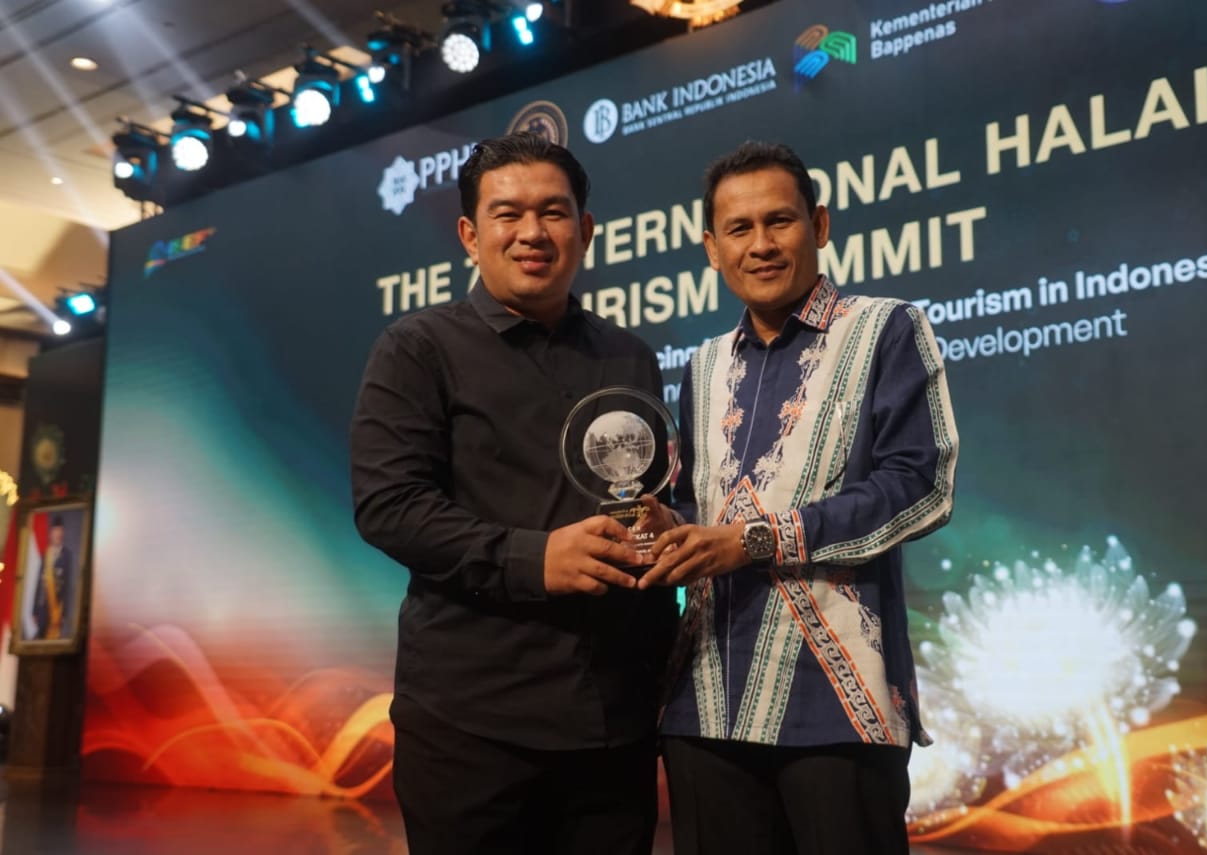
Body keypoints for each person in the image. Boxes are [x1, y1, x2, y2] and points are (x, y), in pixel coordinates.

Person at [350, 133, 677, 855]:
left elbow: (647, 494)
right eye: (508, 214)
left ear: (585, 229)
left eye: (553, 212)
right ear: (471, 235)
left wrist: (663, 526)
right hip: (473, 724)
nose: (532, 231)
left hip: (614, 725)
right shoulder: (418, 348)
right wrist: (535, 559)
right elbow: (388, 505)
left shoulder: (630, 356)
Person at [638, 141, 959, 854]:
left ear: (819, 225)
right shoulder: (702, 365)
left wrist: (755, 539)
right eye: (739, 228)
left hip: (837, 705)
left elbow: (920, 486)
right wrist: (668, 526)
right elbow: (697, 507)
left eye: (778, 221)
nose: (760, 244)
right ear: (711, 249)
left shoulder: (886, 328)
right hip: (704, 704)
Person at [31, 515, 72, 640]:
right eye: (55, 531)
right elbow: (38, 584)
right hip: (42, 607)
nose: (58, 534)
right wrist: (34, 610)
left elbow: (68, 586)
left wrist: (64, 613)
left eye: (60, 531)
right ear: (50, 534)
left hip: (56, 609)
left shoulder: (67, 555)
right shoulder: (45, 554)